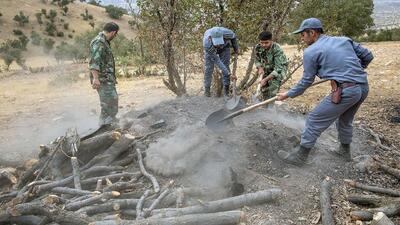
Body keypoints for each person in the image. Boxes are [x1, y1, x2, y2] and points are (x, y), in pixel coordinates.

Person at [276, 18, 374, 166]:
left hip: (347, 90)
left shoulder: (311, 51)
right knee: (345, 120)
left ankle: (300, 157)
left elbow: (306, 81)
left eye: (303, 34)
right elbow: (368, 56)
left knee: (314, 119)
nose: (301, 38)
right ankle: (344, 151)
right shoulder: (344, 40)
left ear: (312, 32)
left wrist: (287, 94)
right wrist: (354, 70)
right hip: (362, 87)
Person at [89, 22, 119, 126]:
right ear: (113, 32)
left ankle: (110, 124)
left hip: (107, 79)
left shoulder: (103, 41)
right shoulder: (100, 42)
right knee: (108, 104)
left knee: (111, 102)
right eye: (115, 35)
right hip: (102, 79)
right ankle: (104, 127)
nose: (114, 37)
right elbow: (94, 62)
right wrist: (95, 78)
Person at [203, 27, 239, 97]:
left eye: (219, 42)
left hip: (225, 47)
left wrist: (236, 49)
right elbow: (217, 61)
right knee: (208, 69)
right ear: (210, 38)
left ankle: (226, 92)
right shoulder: (207, 44)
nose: (218, 45)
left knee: (225, 66)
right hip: (211, 48)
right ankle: (207, 91)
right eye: (216, 43)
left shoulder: (228, 33)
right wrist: (229, 74)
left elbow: (233, 37)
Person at [255, 31, 288, 101]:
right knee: (264, 88)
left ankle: (270, 108)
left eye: (266, 42)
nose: (263, 45)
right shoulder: (258, 47)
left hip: (279, 69)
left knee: (273, 87)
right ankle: (265, 103)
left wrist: (265, 79)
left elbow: (278, 69)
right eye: (262, 42)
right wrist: (260, 68)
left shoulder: (277, 49)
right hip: (267, 66)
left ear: (271, 41)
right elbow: (257, 59)